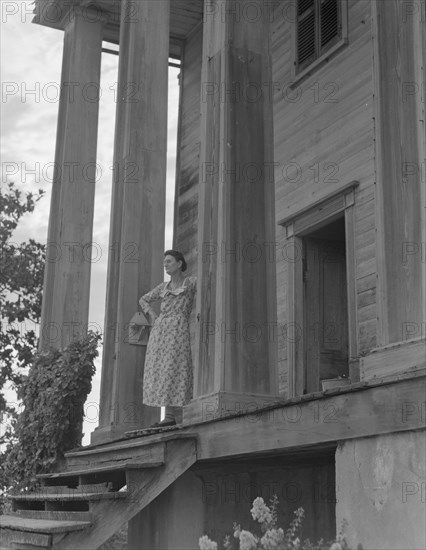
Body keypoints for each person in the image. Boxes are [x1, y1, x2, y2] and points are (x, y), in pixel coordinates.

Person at [139, 250, 197, 426]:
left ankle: (179, 414)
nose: (165, 264)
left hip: (178, 329)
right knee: (161, 370)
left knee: (176, 367)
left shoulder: (190, 282)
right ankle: (169, 416)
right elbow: (143, 300)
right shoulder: (162, 287)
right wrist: (152, 315)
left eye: (169, 261)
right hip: (160, 331)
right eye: (164, 262)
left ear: (179, 263)